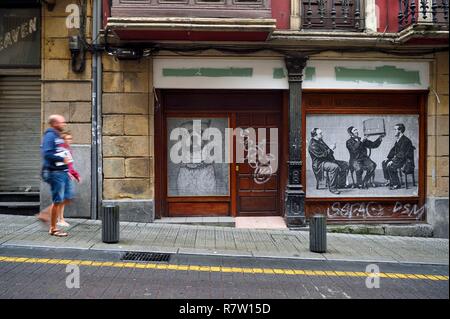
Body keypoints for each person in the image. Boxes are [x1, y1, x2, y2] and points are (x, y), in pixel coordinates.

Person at [36, 115, 72, 237]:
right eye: (62, 122)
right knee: (58, 200)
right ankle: (53, 228)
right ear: (55, 123)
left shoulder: (57, 135)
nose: (64, 124)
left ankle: (45, 214)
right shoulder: (50, 135)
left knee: (68, 197)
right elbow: (47, 153)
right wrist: (62, 158)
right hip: (54, 171)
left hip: (62, 171)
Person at [38, 132, 81, 227]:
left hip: (64, 174)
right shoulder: (61, 149)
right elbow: (59, 164)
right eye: (66, 139)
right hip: (60, 175)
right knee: (62, 198)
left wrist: (75, 174)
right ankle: (56, 218)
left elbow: (69, 165)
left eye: (70, 139)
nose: (69, 141)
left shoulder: (68, 150)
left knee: (64, 198)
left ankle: (58, 218)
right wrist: (68, 173)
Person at [308, 128, 349, 195]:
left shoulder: (320, 140)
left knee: (345, 164)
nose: (322, 135)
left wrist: (330, 149)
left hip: (327, 160)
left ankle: (341, 184)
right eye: (320, 133)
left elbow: (327, 152)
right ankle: (332, 188)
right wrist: (330, 149)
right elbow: (321, 155)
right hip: (319, 163)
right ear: (315, 135)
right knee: (334, 167)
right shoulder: (313, 144)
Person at [382, 123, 415, 190]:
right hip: (400, 159)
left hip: (406, 161)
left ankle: (396, 184)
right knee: (384, 162)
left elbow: (402, 154)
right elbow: (394, 150)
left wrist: (392, 161)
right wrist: (388, 158)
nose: (394, 131)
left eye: (395, 130)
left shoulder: (406, 140)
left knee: (391, 166)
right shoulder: (399, 139)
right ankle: (389, 180)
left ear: (400, 130)